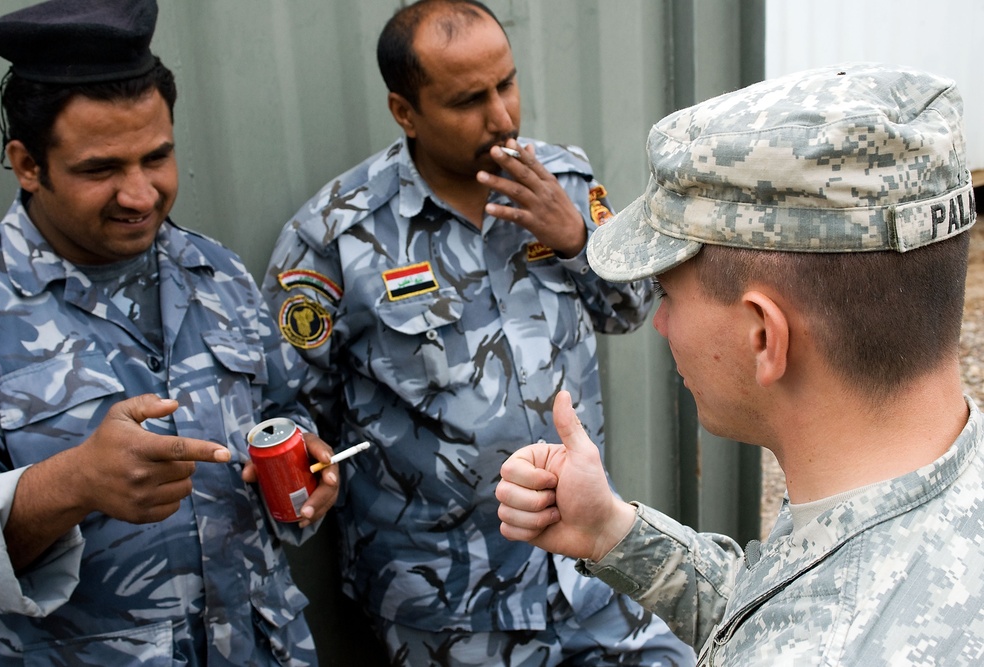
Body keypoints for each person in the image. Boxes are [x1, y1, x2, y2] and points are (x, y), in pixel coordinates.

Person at [495, 62, 984, 664]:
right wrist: (614, 534)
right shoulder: (915, 471)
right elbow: (786, 602)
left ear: (763, 337)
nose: (661, 322)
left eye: (668, 293)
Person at [262, 0, 694, 664]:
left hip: (586, 563)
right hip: (452, 602)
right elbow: (285, 406)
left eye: (506, 84)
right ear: (405, 111)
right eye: (469, 100)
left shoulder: (565, 182)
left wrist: (577, 238)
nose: (502, 116)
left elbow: (632, 309)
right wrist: (304, 460)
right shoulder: (336, 236)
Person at [0, 0, 340, 664]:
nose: (142, 194)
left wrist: (300, 459)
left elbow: (280, 408)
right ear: (27, 164)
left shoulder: (217, 273)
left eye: (157, 157)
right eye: (101, 169)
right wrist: (75, 481)